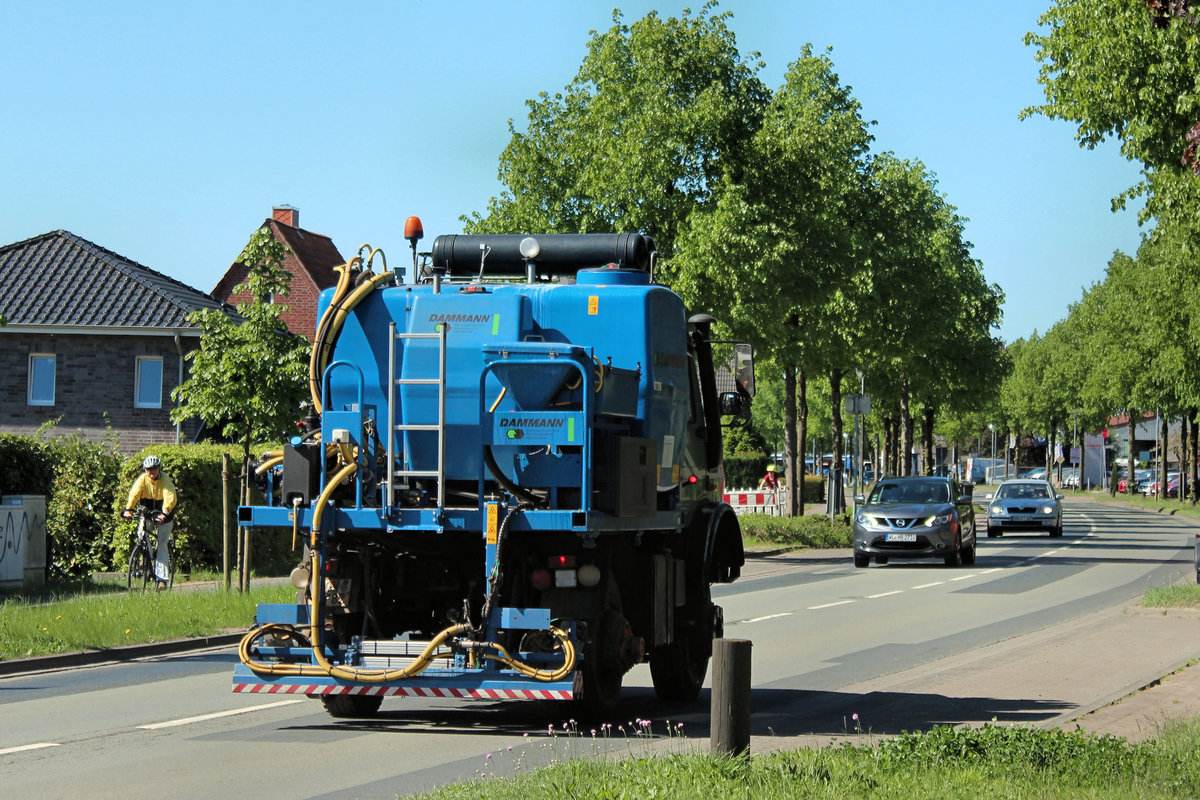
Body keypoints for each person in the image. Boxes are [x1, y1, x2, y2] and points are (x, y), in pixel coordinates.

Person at [122, 455, 178, 587]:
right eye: (148, 470)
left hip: (164, 513)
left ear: (159, 469)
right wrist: (128, 509)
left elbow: (170, 496)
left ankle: (162, 579)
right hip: (147, 512)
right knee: (141, 534)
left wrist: (165, 512)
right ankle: (145, 557)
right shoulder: (143, 480)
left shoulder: (165, 480)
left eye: (153, 469)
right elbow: (134, 493)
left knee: (162, 543)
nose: (150, 472)